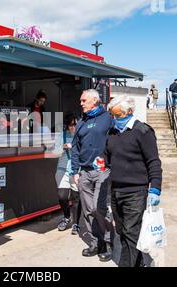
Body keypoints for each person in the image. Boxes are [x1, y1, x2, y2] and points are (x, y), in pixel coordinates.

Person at [103, 96, 163, 267]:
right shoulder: (113, 132)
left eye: (118, 115)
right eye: (112, 116)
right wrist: (100, 160)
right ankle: (139, 263)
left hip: (136, 192)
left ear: (129, 111)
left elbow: (154, 162)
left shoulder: (143, 131)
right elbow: (107, 155)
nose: (115, 119)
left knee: (131, 232)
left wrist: (155, 188)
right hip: (116, 190)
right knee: (122, 231)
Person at [71, 89, 115, 262]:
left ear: (95, 100)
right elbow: (75, 148)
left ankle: (108, 242)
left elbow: (116, 142)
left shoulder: (108, 119)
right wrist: (75, 171)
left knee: (100, 208)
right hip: (84, 172)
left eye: (84, 100)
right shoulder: (82, 121)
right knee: (89, 211)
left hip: (103, 172)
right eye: (81, 101)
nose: (81, 103)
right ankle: (95, 242)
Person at [54, 114, 81, 235]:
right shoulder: (62, 136)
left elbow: (87, 151)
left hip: (77, 169)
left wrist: (74, 147)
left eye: (75, 124)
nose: (73, 127)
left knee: (76, 198)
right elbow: (54, 151)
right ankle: (66, 216)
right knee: (62, 196)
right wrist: (62, 147)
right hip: (62, 168)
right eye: (71, 125)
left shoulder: (82, 135)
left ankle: (76, 223)